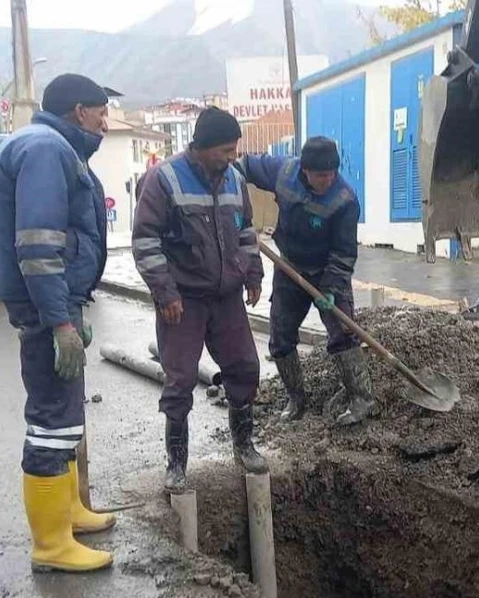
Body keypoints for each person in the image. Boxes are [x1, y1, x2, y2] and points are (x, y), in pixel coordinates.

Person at [0, 74, 115, 573]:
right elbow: (39, 247)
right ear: (79, 110)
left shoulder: (52, 146)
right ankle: (50, 543)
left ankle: (68, 513)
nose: (106, 122)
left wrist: (72, 307)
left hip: (58, 304)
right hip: (47, 310)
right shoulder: (45, 149)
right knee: (50, 422)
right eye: (101, 112)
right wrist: (60, 320)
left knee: (66, 415)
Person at [131, 107, 266, 491]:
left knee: (244, 368)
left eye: (235, 149)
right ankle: (176, 462)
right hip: (183, 301)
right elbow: (145, 241)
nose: (232, 157)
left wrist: (253, 274)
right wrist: (165, 292)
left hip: (226, 298)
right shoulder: (164, 180)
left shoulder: (234, 181)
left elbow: (245, 232)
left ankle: (244, 444)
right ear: (202, 146)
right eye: (225, 150)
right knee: (181, 379)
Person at [236, 136, 376, 427]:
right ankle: (296, 398)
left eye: (332, 174)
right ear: (306, 170)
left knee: (342, 332)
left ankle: (361, 397)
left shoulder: (344, 200)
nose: (328, 180)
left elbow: (344, 252)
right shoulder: (284, 172)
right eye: (321, 175)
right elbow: (245, 166)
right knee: (281, 333)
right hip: (289, 266)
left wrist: (332, 289)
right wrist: (230, 192)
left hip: (327, 269)